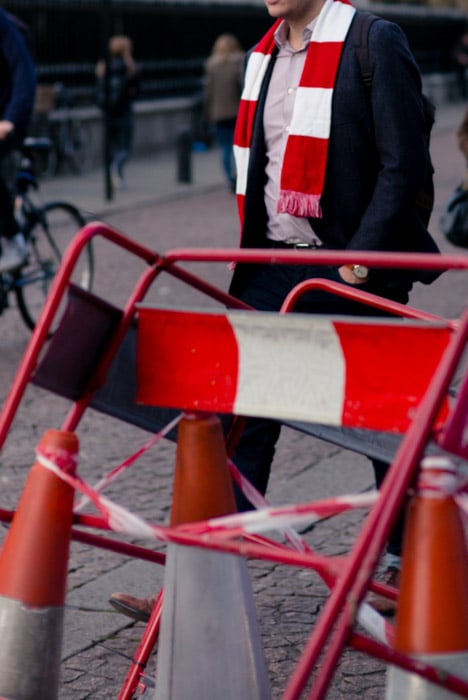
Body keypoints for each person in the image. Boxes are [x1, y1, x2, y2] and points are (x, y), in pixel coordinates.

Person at [109, 0, 440, 621]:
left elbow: (406, 164)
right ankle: (195, 583)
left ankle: (410, 559)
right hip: (272, 265)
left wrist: (361, 261)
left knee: (379, 418)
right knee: (239, 421)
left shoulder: (373, 40)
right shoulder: (260, 55)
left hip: (348, 265)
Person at [0, 9, 36, 273]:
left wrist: (10, 119)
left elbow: (24, 73)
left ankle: (13, 239)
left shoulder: (3, 25)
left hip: (9, 115)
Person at [96, 35, 139, 191]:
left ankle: (114, 174)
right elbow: (136, 91)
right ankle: (116, 169)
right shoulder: (129, 67)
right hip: (124, 111)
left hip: (108, 113)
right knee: (125, 147)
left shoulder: (103, 67)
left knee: (113, 146)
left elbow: (99, 91)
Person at [203, 33, 244, 191]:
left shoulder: (211, 65)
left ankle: (229, 178)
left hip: (219, 113)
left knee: (225, 148)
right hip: (236, 111)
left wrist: (207, 112)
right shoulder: (239, 63)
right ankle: (239, 177)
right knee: (238, 147)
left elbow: (208, 92)